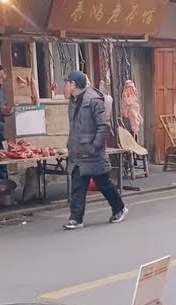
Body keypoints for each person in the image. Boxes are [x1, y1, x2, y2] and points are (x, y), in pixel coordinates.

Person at [63, 71, 127, 229]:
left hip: (92, 151)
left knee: (104, 183)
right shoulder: (74, 100)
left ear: (73, 84)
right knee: (78, 185)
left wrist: (95, 146)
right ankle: (76, 219)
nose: (65, 86)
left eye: (67, 83)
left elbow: (103, 126)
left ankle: (119, 208)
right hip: (79, 150)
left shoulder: (93, 100)